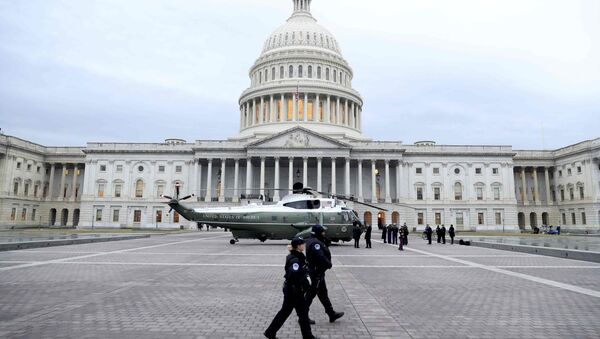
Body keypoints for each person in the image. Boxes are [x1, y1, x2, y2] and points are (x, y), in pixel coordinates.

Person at [264, 237, 318, 339]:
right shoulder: (295, 260)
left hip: (293, 290)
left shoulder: (297, 256)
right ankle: (308, 336)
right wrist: (306, 282)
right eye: (302, 244)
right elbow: (293, 276)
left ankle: (270, 332)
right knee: (301, 313)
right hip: (295, 291)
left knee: (287, 312)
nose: (304, 245)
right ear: (298, 246)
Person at [305, 225, 344, 323]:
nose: (324, 234)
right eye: (322, 232)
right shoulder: (315, 243)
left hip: (318, 272)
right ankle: (303, 316)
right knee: (310, 294)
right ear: (318, 232)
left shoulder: (314, 240)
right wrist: (328, 264)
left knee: (323, 294)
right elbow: (320, 257)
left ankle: (331, 314)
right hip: (315, 273)